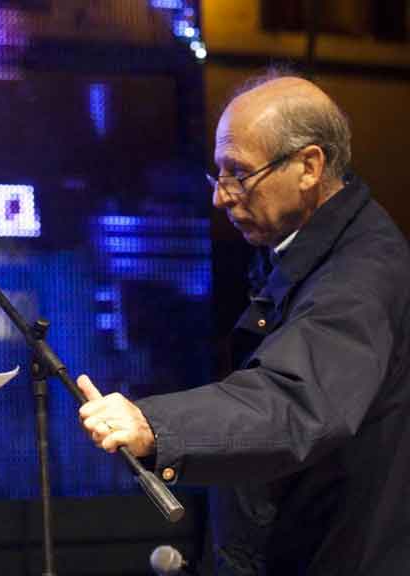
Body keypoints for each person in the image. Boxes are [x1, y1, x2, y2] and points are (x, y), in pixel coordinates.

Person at [77, 72, 410, 575]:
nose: (221, 196)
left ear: (308, 166)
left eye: (239, 173)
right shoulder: (299, 245)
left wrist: (154, 427)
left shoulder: (363, 272)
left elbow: (295, 399)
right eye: (219, 174)